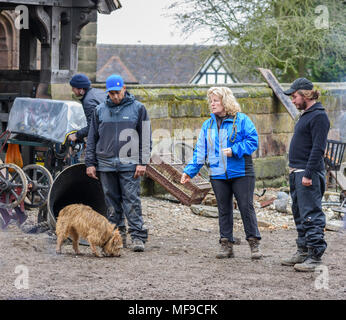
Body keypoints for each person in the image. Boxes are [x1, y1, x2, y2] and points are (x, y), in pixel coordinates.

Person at [181, 87, 262, 260]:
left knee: (246, 207)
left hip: (241, 172)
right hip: (217, 174)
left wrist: (234, 150)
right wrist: (189, 172)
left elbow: (253, 141)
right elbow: (200, 152)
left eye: (215, 100)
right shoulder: (207, 125)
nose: (212, 104)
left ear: (225, 101)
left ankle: (254, 244)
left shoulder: (241, 120)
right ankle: (226, 244)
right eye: (211, 101)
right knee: (223, 209)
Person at [85, 74, 151, 252]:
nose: (115, 96)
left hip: (130, 164)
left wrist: (143, 162)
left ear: (124, 89)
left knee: (132, 200)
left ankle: (137, 236)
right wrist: (89, 163)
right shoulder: (99, 111)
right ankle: (117, 235)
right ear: (108, 92)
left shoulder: (138, 109)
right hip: (105, 164)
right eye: (111, 93)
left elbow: (145, 137)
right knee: (111, 202)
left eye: (117, 92)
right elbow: (92, 138)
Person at [281, 78, 330, 272]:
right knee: (299, 213)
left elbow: (318, 148)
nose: (293, 101)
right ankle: (303, 251)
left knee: (311, 214)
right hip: (297, 172)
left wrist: (308, 174)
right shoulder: (306, 115)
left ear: (306, 94)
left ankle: (315, 256)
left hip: (307, 173)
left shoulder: (319, 116)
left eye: (295, 96)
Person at [69, 73, 106, 143]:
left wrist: (76, 135)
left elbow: (93, 126)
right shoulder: (98, 91)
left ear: (81, 89)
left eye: (73, 87)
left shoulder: (88, 101)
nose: (72, 90)